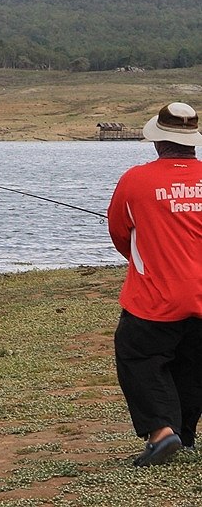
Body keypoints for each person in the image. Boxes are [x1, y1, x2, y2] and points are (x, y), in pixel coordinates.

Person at [107, 101, 202, 467]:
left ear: (158, 141)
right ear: (192, 140)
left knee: (138, 355)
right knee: (193, 361)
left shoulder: (135, 179)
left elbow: (119, 233)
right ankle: (184, 434)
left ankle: (162, 432)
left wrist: (146, 257)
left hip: (155, 298)